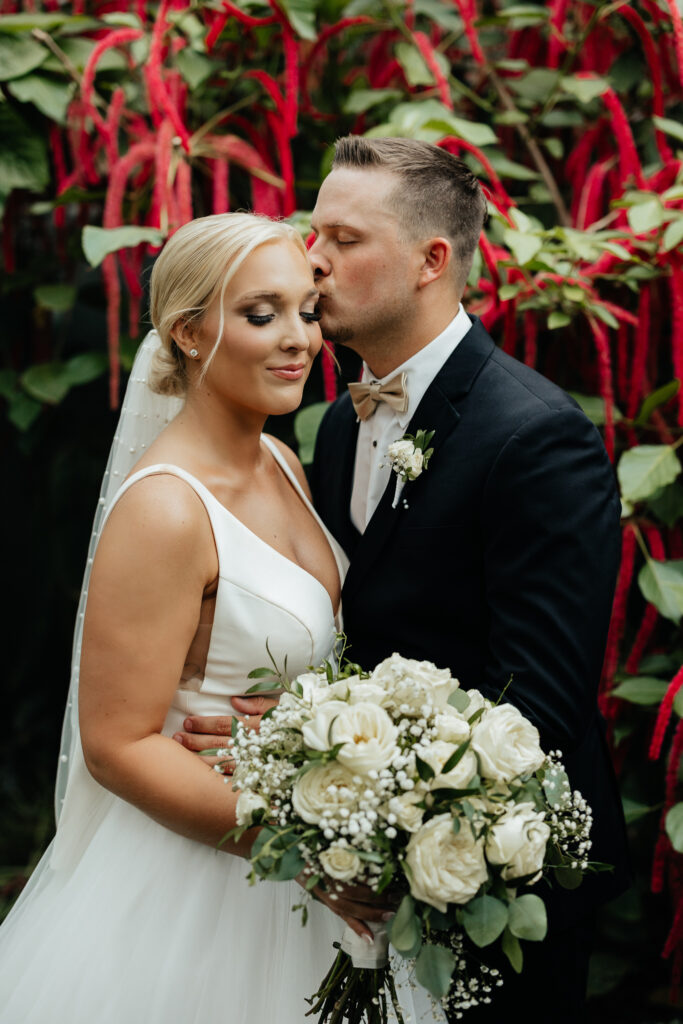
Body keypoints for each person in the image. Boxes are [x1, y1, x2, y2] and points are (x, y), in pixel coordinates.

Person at [180, 138, 631, 1023]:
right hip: (355, 873)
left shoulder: (537, 438)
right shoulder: (335, 426)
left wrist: (325, 754)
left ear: (432, 261)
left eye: (344, 239)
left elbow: (537, 704)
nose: (312, 258)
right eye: (314, 232)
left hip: (506, 882)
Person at [0, 212, 422, 1024]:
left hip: (310, 861)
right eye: (261, 314)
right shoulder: (164, 508)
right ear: (189, 333)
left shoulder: (280, 460)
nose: (298, 338)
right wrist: (301, 849)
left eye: (307, 310)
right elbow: (117, 744)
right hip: (204, 874)